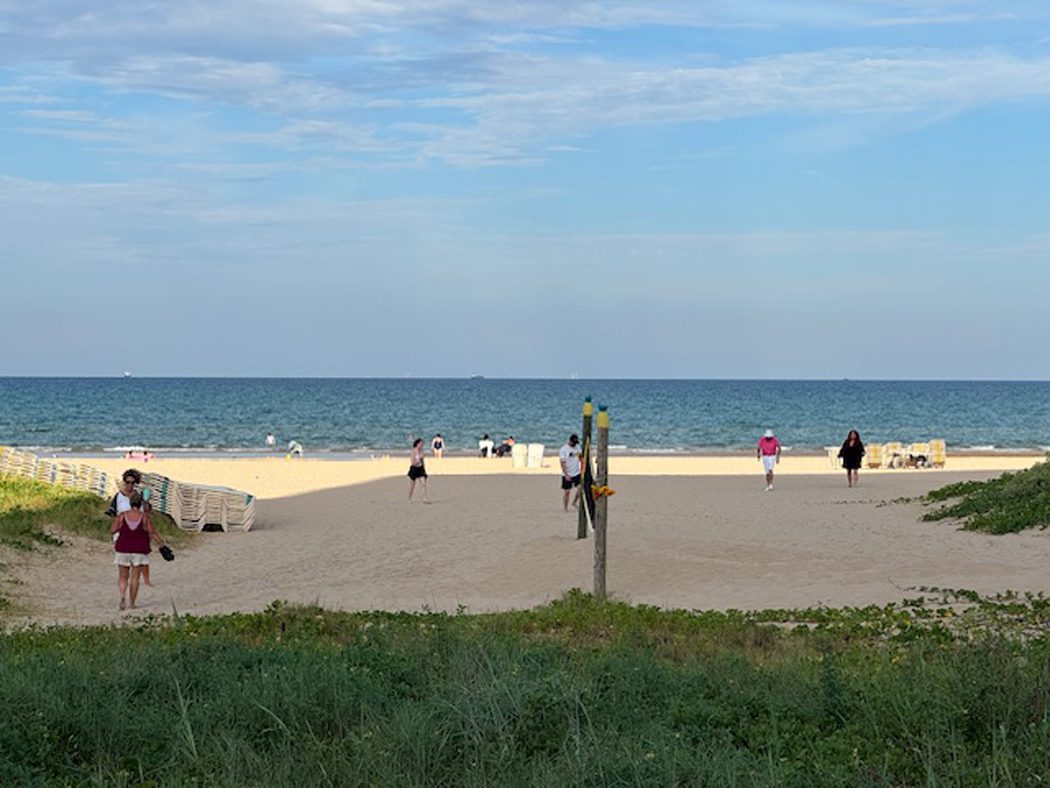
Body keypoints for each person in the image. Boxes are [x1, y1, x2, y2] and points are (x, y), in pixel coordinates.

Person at [111, 492, 168, 611]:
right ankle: (132, 603)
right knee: (135, 577)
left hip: (123, 548)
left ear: (130, 503)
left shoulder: (122, 516)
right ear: (140, 504)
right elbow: (152, 533)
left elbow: (113, 530)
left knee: (123, 576)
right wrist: (162, 544)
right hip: (139, 550)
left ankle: (122, 596)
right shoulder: (145, 518)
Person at [106, 468, 154, 587]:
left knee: (142, 557)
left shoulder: (139, 496)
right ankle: (125, 580)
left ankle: (146, 580)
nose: (130, 485)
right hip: (122, 530)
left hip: (139, 529)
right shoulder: (118, 497)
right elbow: (112, 513)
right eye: (127, 482)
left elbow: (147, 511)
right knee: (124, 556)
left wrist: (146, 502)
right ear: (124, 482)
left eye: (132, 483)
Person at [559, 434, 582, 512]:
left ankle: (574, 502)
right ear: (570, 441)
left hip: (576, 472)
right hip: (567, 473)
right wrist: (566, 474)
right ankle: (565, 507)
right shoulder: (564, 449)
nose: (574, 444)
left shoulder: (578, 447)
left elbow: (580, 458)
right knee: (567, 492)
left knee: (580, 488)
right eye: (573, 443)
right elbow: (562, 463)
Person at [407, 438, 429, 502]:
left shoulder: (422, 451)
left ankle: (424, 498)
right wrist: (418, 460)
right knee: (412, 485)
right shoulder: (413, 451)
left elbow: (423, 461)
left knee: (423, 483)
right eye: (421, 444)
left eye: (422, 444)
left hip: (421, 469)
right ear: (417, 444)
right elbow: (412, 462)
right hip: (414, 469)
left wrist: (424, 469)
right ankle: (409, 498)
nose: (422, 445)